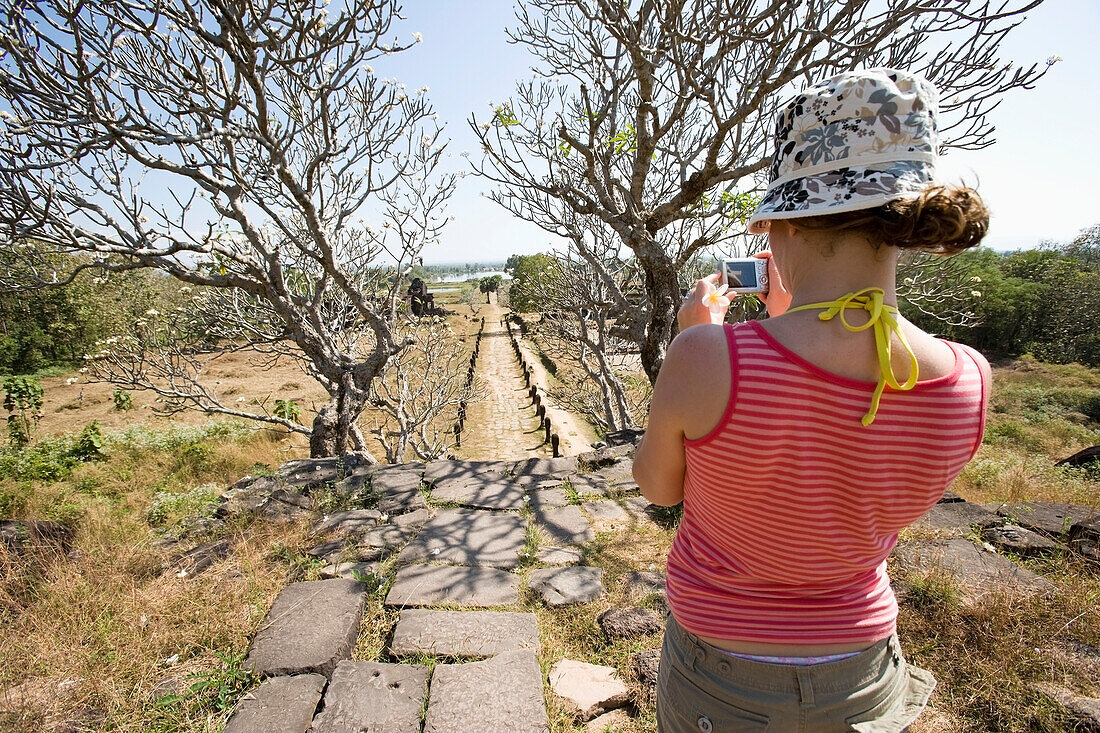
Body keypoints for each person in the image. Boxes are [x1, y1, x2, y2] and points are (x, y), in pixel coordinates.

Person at [632, 68, 991, 732]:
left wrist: (698, 340)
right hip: (860, 674)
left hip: (719, 672)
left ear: (785, 224)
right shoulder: (968, 379)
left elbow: (658, 487)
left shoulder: (710, 356)